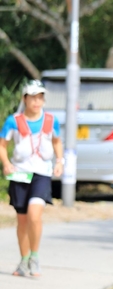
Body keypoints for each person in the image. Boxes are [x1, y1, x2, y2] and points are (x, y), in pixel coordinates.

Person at [0, 79, 64, 277]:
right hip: (20, 173)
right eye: (33, 98)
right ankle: (24, 259)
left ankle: (35, 256)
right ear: (25, 99)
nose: (37, 102)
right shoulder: (13, 121)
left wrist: (60, 161)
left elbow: (57, 142)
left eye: (40, 97)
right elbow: (2, 145)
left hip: (41, 173)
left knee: (34, 215)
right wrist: (6, 163)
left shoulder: (51, 121)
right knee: (22, 219)